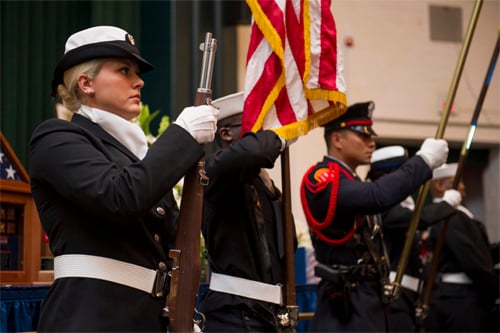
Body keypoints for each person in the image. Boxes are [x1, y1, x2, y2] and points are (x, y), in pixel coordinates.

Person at [29, 25, 218, 332]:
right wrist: (182, 135)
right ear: (86, 83)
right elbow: (121, 197)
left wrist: (179, 311)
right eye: (124, 70)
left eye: (136, 72)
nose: (139, 81)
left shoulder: (137, 155)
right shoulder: (56, 138)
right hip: (92, 317)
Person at [300, 101, 449, 332]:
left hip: (368, 298)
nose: (372, 143)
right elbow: (377, 196)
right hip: (346, 303)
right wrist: (424, 162)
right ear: (337, 140)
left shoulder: (350, 181)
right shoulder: (322, 179)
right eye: (362, 136)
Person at [199, 91, 297, 332]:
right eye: (257, 126)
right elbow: (255, 151)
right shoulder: (217, 173)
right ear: (226, 133)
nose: (263, 133)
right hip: (236, 316)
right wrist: (281, 135)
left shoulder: (265, 186)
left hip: (271, 316)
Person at [366, 146, 460, 332]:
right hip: (392, 291)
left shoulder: (402, 200)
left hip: (410, 293)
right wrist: (445, 204)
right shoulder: (379, 202)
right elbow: (416, 220)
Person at [426, 163, 499, 332]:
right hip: (460, 298)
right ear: (438, 186)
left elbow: (481, 253)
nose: (463, 187)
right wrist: (495, 286)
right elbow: (471, 260)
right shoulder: (447, 215)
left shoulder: (458, 214)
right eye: (457, 182)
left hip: (464, 295)